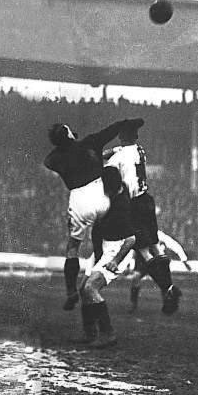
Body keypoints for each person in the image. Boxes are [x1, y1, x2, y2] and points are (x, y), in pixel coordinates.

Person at [44, 118, 145, 311]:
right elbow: (112, 129)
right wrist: (127, 122)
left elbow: (49, 161)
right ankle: (103, 261)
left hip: (79, 200)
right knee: (104, 224)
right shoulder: (89, 142)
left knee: (73, 248)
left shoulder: (55, 158)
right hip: (101, 196)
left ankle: (71, 292)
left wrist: (64, 146)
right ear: (69, 135)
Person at [103, 123, 182, 315]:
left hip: (135, 204)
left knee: (144, 250)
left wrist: (109, 151)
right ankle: (169, 286)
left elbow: (103, 160)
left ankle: (169, 289)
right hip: (147, 200)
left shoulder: (119, 156)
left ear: (121, 137)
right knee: (155, 246)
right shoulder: (139, 150)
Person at [76, 166, 136, 349]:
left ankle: (108, 333)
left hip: (117, 249)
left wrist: (115, 261)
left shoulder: (121, 207)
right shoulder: (112, 194)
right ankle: (90, 333)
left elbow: (131, 239)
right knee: (83, 288)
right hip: (103, 247)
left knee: (91, 288)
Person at [127, 229, 192, 314]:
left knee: (163, 284)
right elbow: (130, 248)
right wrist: (127, 264)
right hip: (142, 261)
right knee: (136, 278)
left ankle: (168, 305)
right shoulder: (136, 233)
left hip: (157, 260)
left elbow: (173, 245)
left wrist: (184, 260)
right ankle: (134, 304)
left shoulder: (157, 234)